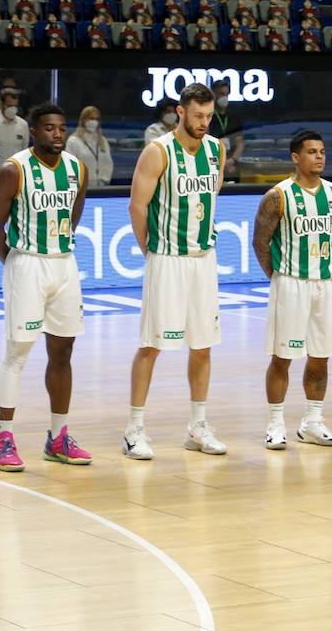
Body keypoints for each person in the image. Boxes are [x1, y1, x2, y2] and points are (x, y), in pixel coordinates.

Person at [0, 103, 91, 472]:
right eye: (48, 127)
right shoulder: (13, 170)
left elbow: (73, 214)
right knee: (18, 354)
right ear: (34, 132)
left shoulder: (78, 169)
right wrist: (14, 264)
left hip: (64, 265)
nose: (57, 133)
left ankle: (58, 437)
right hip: (27, 264)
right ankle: (5, 439)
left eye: (62, 127)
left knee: (63, 353)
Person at [123, 83, 226, 459]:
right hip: (167, 259)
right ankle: (134, 429)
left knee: (203, 346)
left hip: (204, 258)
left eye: (209, 116)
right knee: (152, 345)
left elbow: (209, 198)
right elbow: (137, 207)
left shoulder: (217, 149)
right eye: (198, 115)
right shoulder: (157, 151)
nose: (204, 122)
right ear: (181, 112)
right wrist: (151, 250)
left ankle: (197, 427)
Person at [252, 129, 332, 449]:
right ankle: (276, 423)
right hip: (290, 284)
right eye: (311, 152)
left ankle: (312, 422)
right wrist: (278, 279)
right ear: (296, 157)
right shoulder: (278, 196)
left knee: (321, 359)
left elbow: (331, 238)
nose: (319, 156)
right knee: (283, 358)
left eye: (321, 151)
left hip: (325, 284)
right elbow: (260, 242)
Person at [65, 105, 113, 187]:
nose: (94, 121)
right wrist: (75, 186)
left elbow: (108, 163)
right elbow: (68, 167)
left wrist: (105, 180)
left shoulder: (102, 141)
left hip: (101, 187)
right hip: (81, 188)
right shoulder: (73, 141)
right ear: (83, 120)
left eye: (96, 119)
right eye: (91, 118)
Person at [208, 79, 245, 182]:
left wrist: (232, 160)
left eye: (226, 94)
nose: (224, 97)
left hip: (231, 164)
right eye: (221, 94)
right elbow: (204, 143)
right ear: (213, 95)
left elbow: (240, 143)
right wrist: (220, 164)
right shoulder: (207, 116)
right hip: (213, 165)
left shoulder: (233, 116)